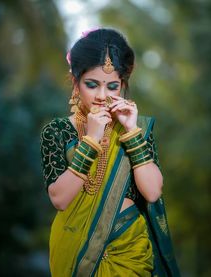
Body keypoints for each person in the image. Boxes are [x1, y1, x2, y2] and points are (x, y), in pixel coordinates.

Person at [40, 28, 180, 277]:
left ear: (123, 85)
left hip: (130, 254)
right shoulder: (58, 131)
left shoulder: (138, 130)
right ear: (75, 82)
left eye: (112, 86)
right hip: (74, 254)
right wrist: (91, 139)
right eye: (92, 85)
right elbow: (59, 199)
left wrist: (131, 131)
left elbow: (152, 191)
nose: (102, 96)